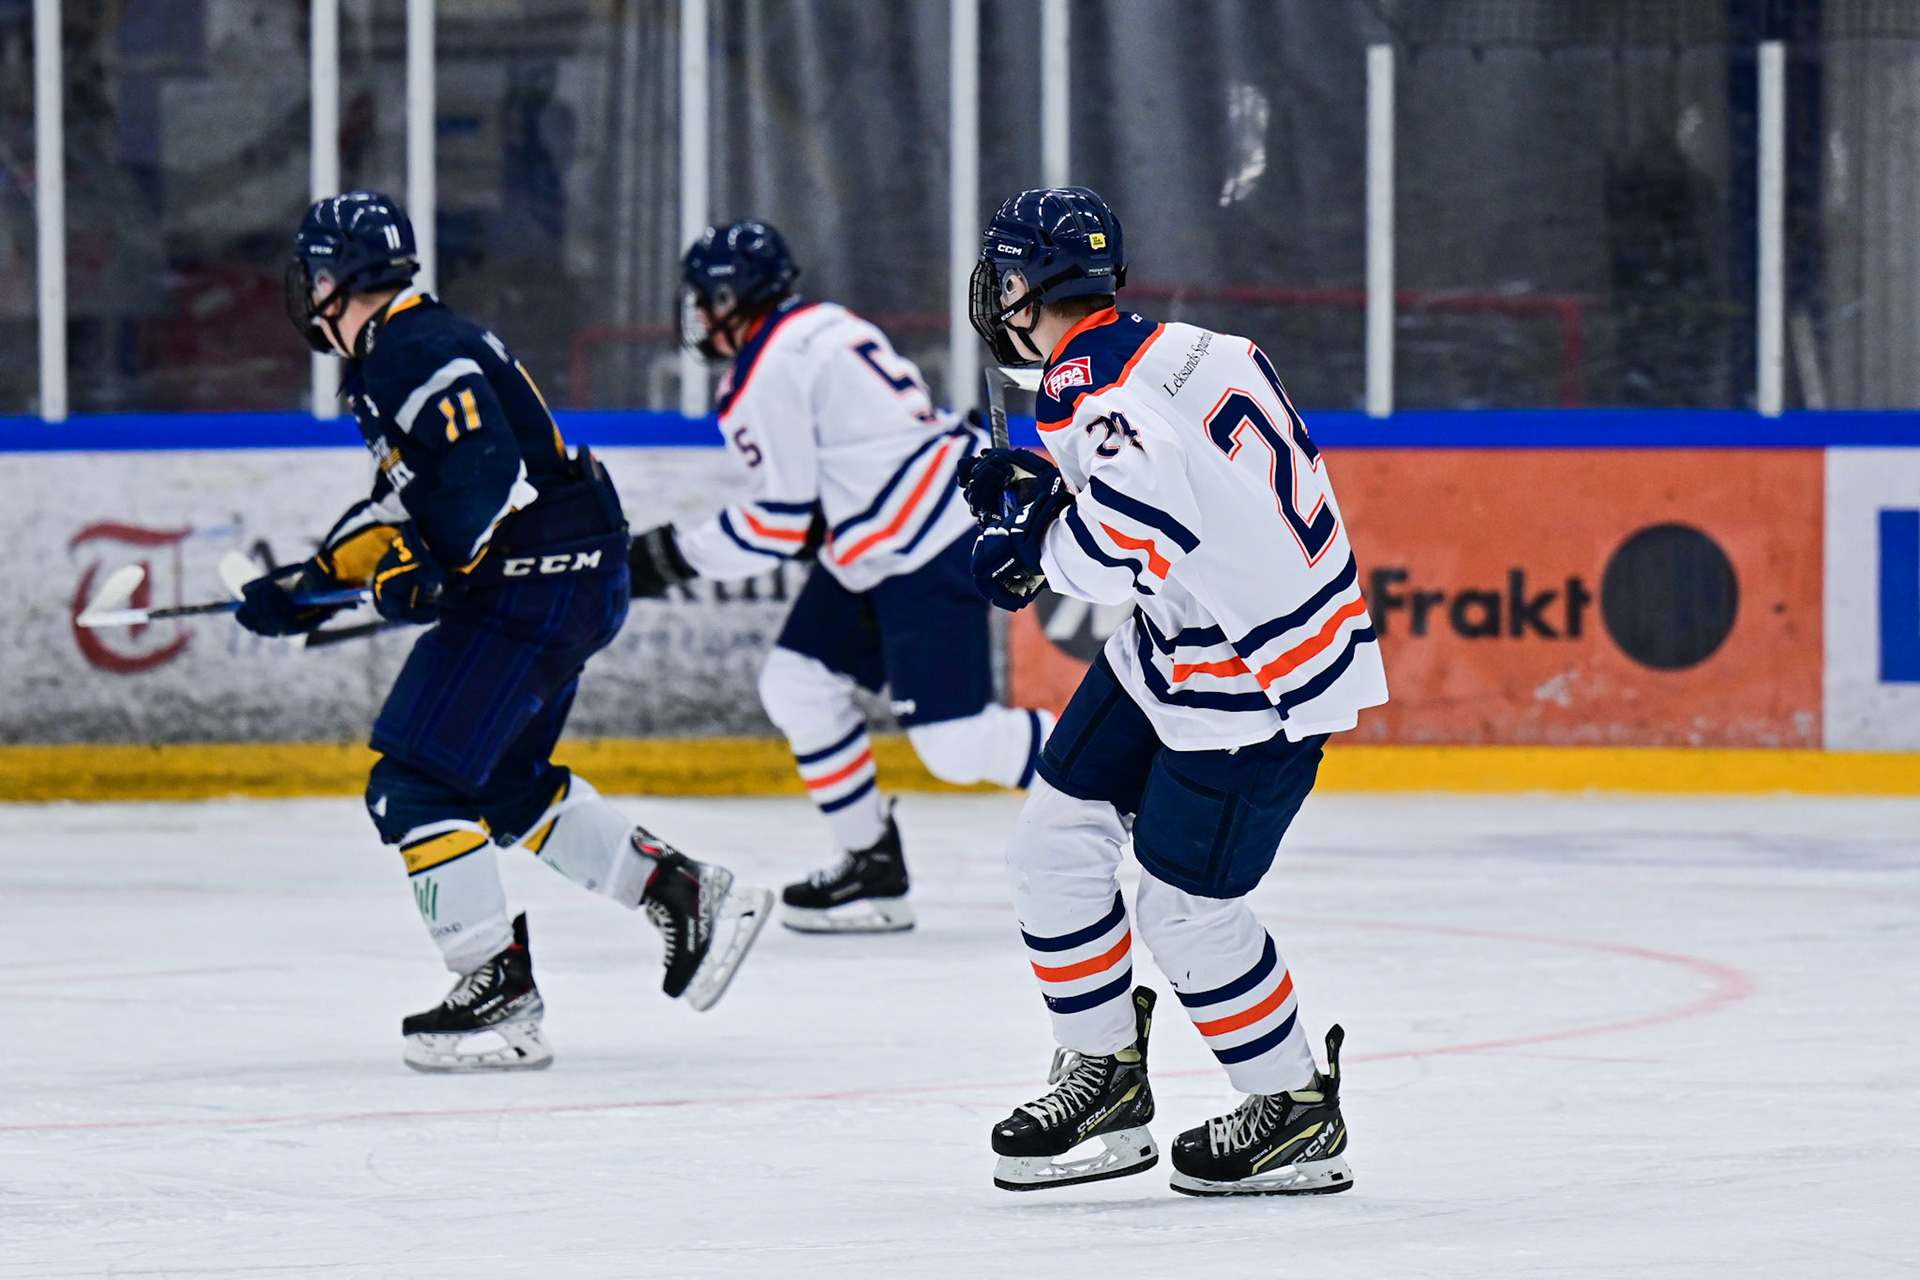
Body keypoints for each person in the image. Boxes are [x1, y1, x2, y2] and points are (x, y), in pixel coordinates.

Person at [241, 191, 771, 1072]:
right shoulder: (407, 345)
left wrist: (427, 563)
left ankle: (496, 991)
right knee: (500, 784)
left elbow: (484, 470)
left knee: (414, 784)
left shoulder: (410, 348)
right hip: (567, 577)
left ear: (332, 279)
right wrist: (310, 584)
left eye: (311, 276)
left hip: (537, 584)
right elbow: (409, 503)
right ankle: (680, 893)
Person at [959, 187, 1388, 1196]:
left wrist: (1034, 553)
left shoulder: (1081, 383)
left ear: (1025, 286)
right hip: (1193, 640)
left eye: (1004, 275)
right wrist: (1053, 501)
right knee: (1053, 842)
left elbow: (1135, 534)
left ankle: (1295, 1109)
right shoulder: (1193, 346)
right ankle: (1102, 1071)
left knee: (1187, 909)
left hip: (1255, 677)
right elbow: (1187, 483)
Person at [626, 219, 1054, 934]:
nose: (695, 312)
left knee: (957, 744)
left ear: (733, 297)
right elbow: (844, 474)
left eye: (704, 296)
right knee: (795, 682)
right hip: (890, 534)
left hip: (926, 537)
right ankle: (872, 867)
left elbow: (780, 522)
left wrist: (667, 558)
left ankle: (1130, 776)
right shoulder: (821, 325)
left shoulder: (769, 368)